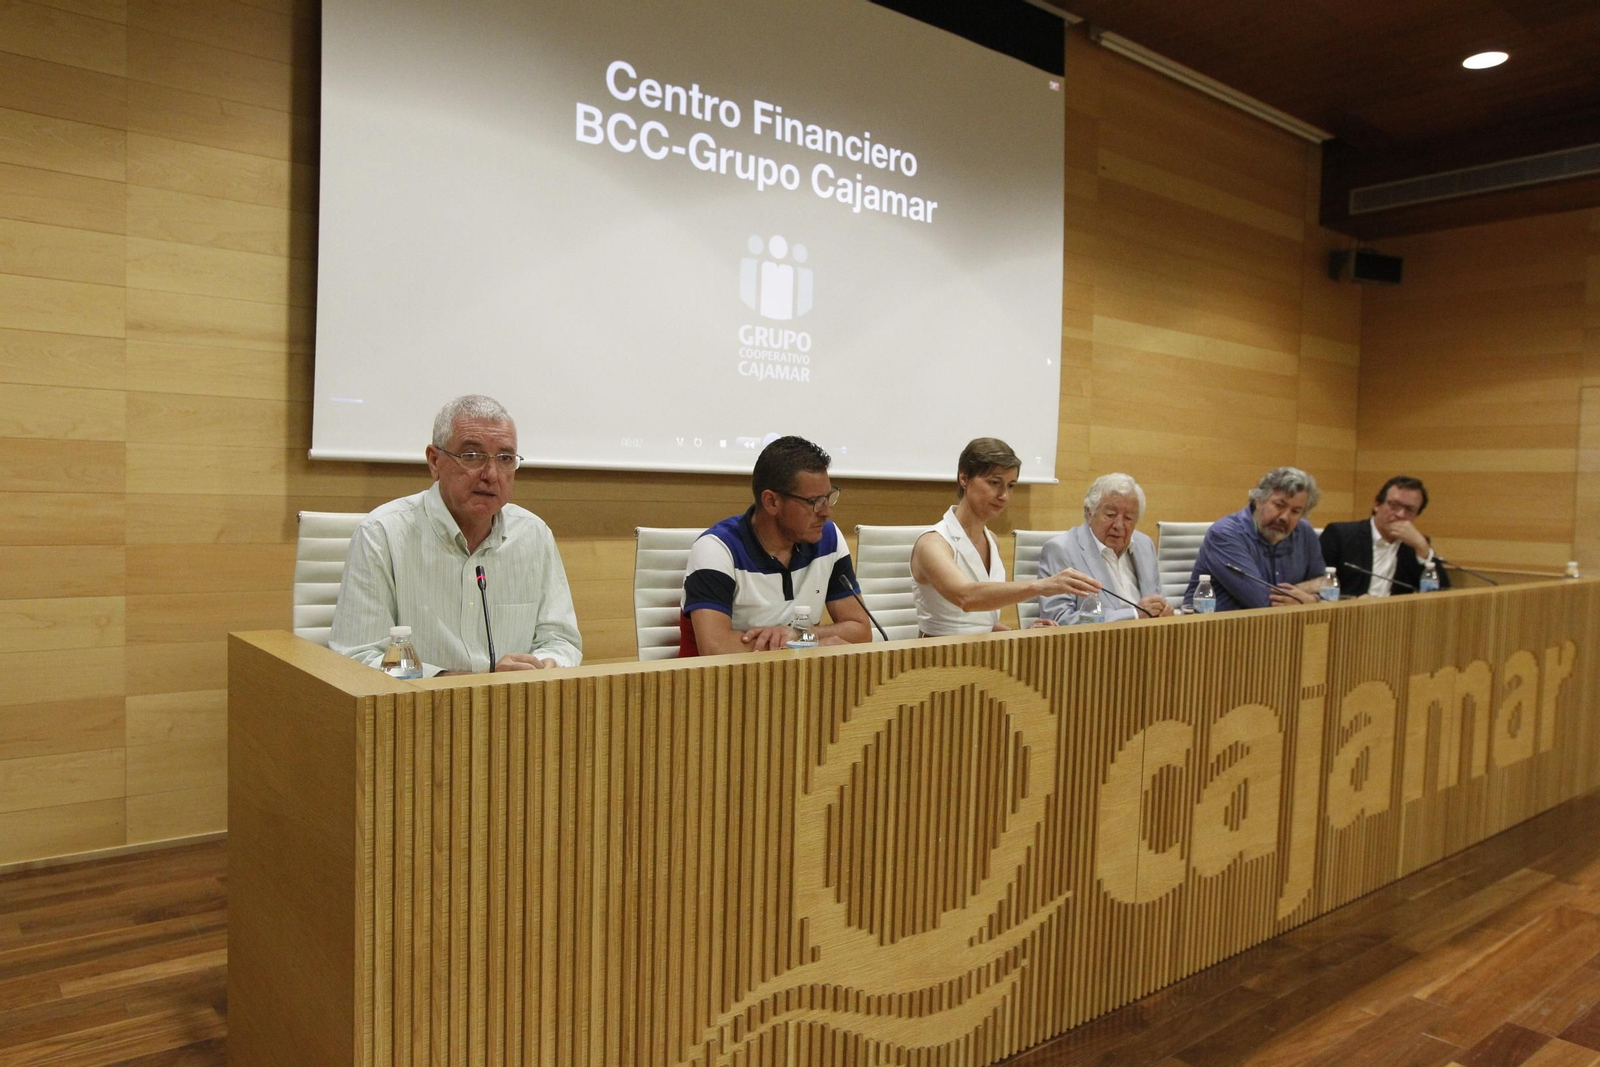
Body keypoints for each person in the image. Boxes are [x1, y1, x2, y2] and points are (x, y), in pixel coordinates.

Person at [329, 395, 582, 674]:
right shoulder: (381, 535)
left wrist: (545, 664)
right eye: (471, 456)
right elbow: (359, 656)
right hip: (419, 701)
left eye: (505, 459)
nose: (491, 474)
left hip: (516, 700)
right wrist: (463, 683)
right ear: (434, 461)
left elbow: (561, 641)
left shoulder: (534, 535)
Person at [679, 435, 872, 656]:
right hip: (716, 677)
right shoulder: (717, 549)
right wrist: (800, 643)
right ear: (771, 502)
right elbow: (715, 648)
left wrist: (799, 635)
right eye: (814, 502)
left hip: (793, 676)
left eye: (828, 497)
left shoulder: (828, 538)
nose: (827, 511)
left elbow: (861, 631)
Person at [911, 437, 1101, 636]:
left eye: (1011, 485)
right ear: (964, 478)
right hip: (938, 651)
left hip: (980, 649)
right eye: (994, 483)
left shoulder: (992, 540)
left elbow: (980, 622)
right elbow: (966, 598)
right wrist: (1040, 586)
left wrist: (1019, 633)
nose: (1004, 495)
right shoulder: (932, 543)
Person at [1185, 466, 1326, 611]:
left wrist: (1312, 599)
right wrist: (1307, 597)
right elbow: (1262, 601)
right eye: (1279, 505)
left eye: (1295, 511)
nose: (1284, 517)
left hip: (1280, 622)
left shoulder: (1304, 532)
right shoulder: (1225, 533)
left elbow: (1326, 584)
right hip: (1218, 622)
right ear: (1259, 500)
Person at [1038, 473, 1172, 624]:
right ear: (1089, 512)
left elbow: (1158, 600)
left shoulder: (1145, 545)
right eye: (1110, 515)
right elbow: (1059, 619)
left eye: (1128, 518)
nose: (1119, 525)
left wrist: (1164, 610)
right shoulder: (1061, 550)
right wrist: (1133, 615)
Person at [1319, 476, 1450, 596]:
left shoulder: (1415, 544)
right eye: (1394, 505)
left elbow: (1442, 594)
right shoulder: (1340, 535)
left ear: (1417, 515)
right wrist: (1353, 602)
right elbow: (1318, 585)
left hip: (1395, 613)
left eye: (1409, 510)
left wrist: (1423, 549)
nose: (1400, 514)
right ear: (1377, 504)